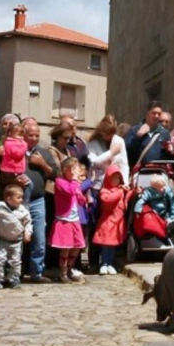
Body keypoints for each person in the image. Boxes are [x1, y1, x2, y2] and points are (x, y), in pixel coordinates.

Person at [86, 114, 129, 273]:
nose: (109, 137)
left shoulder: (119, 142)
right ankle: (93, 261)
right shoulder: (92, 143)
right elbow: (95, 162)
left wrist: (125, 184)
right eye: (107, 133)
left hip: (114, 187)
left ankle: (108, 260)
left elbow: (124, 164)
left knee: (111, 225)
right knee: (96, 224)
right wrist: (111, 153)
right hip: (98, 187)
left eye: (112, 133)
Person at [22, 122, 57, 284]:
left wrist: (42, 164)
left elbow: (56, 174)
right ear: (23, 134)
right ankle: (16, 272)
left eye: (37, 135)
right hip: (18, 201)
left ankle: (36, 272)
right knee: (18, 238)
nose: (34, 138)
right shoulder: (18, 151)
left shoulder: (43, 153)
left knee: (39, 238)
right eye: (31, 135)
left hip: (38, 200)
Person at [0, 184, 32, 290]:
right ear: (8, 198)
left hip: (17, 240)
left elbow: (28, 223)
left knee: (16, 261)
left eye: (21, 197)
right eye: (18, 197)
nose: (21, 200)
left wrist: (28, 233)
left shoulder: (23, 211)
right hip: (3, 240)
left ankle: (14, 279)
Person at [50, 157, 87, 284]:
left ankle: (70, 268)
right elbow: (70, 191)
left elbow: (78, 195)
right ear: (68, 170)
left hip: (74, 219)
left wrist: (82, 198)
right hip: (64, 219)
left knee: (77, 246)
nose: (78, 172)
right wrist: (75, 181)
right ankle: (63, 272)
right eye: (75, 168)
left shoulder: (74, 183)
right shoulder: (60, 181)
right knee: (66, 247)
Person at [92, 165, 127, 275]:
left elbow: (127, 200)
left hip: (117, 223)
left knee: (113, 245)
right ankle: (104, 263)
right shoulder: (104, 191)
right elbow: (108, 200)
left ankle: (110, 263)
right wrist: (121, 192)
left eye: (117, 178)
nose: (115, 180)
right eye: (113, 177)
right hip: (107, 222)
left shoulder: (121, 190)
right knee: (106, 245)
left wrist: (133, 191)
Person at [125, 101, 172, 166]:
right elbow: (127, 151)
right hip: (140, 171)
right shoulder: (134, 130)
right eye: (153, 113)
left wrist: (171, 151)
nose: (156, 116)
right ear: (147, 113)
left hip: (158, 171)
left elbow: (169, 158)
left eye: (159, 114)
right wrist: (138, 136)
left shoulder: (164, 133)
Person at [0, 123, 33, 207]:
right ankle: (25, 205)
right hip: (11, 171)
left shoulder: (17, 143)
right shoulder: (10, 143)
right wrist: (25, 145)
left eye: (22, 135)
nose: (21, 137)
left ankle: (21, 204)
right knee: (28, 185)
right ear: (10, 134)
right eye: (19, 134)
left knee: (23, 187)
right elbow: (18, 154)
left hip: (16, 170)